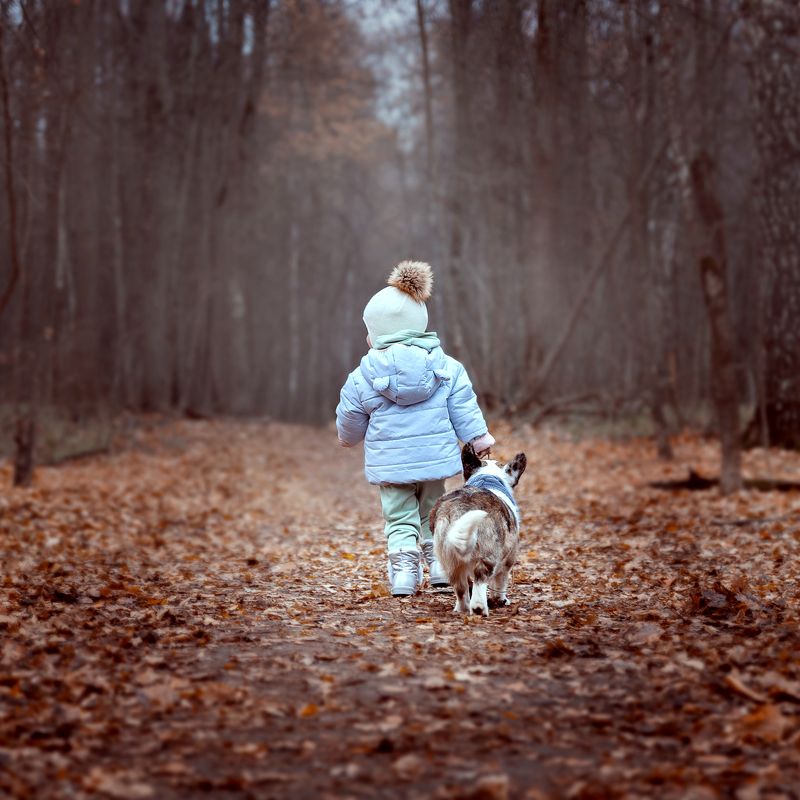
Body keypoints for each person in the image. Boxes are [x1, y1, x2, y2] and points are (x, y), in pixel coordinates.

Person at [336, 261, 495, 596]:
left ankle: (404, 576)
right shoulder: (446, 367)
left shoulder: (362, 375)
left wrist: (347, 438)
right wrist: (478, 439)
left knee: (398, 517)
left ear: (377, 331)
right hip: (433, 460)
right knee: (432, 512)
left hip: (391, 464)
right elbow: (463, 406)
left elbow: (351, 414)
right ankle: (438, 568)